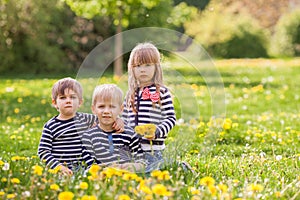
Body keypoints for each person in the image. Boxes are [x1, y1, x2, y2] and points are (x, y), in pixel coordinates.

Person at [37, 77, 124, 176]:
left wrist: (118, 120)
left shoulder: (86, 119)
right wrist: (58, 167)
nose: (68, 101)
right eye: (63, 97)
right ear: (54, 103)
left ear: (80, 102)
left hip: (83, 167)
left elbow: (106, 118)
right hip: (61, 169)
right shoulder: (50, 126)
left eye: (73, 97)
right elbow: (43, 151)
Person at [122, 42, 176, 172]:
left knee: (148, 171)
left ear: (156, 67)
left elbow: (171, 118)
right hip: (132, 151)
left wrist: (157, 131)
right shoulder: (130, 94)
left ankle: (177, 166)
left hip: (153, 150)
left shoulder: (161, 92)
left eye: (147, 65)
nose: (142, 69)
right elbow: (124, 120)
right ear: (132, 69)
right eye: (138, 66)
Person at [82, 84, 145, 172]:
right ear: (93, 109)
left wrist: (134, 166)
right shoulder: (89, 137)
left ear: (121, 109)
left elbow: (141, 161)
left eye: (111, 106)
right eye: (101, 106)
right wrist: (108, 170)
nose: (106, 111)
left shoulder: (129, 134)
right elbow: (89, 166)